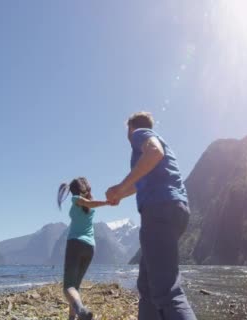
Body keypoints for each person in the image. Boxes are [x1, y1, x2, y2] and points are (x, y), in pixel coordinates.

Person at [106, 112, 197, 320]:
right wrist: (121, 193)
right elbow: (143, 180)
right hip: (175, 210)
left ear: (130, 128)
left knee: (167, 291)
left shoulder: (140, 134)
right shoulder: (151, 149)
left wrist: (120, 186)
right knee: (147, 286)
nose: (128, 136)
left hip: (158, 210)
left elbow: (154, 153)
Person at [58, 177, 114, 320]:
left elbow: (86, 202)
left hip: (75, 244)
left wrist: (107, 202)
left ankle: (81, 311)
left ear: (75, 191)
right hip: (90, 247)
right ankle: (72, 317)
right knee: (75, 286)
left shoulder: (77, 199)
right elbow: (89, 202)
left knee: (68, 287)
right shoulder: (89, 205)